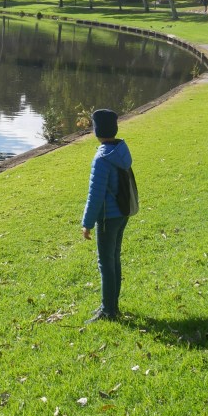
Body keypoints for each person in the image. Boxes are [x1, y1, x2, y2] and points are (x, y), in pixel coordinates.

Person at [81, 108, 132, 322]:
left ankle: (108, 311)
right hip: (122, 213)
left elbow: (95, 194)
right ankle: (112, 305)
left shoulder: (102, 158)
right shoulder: (120, 150)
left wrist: (87, 223)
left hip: (107, 218)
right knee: (114, 259)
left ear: (97, 130)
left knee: (105, 262)